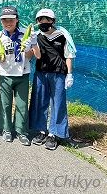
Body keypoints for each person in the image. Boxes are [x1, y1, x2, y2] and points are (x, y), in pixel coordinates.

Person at [29, 8, 76, 150]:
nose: (43, 22)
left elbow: (69, 55)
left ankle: (54, 134)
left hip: (58, 74)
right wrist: (29, 43)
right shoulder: (35, 35)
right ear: (37, 22)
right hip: (41, 73)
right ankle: (42, 131)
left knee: (58, 103)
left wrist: (69, 74)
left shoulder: (62, 35)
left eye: (47, 20)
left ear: (52, 21)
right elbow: (31, 54)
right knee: (39, 101)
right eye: (40, 20)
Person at [0, 6, 37, 146]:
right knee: (5, 104)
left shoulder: (27, 33)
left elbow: (31, 56)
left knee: (22, 104)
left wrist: (27, 50)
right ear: (1, 22)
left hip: (22, 74)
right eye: (5, 20)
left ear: (17, 20)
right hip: (5, 74)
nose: (8, 22)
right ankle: (6, 129)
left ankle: (21, 131)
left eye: (11, 19)